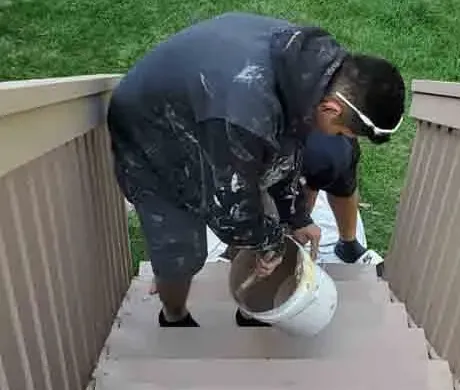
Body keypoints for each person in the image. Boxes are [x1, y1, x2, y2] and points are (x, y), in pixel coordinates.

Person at [107, 12, 406, 328]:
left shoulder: (314, 69)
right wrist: (272, 242)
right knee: (181, 251)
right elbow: (230, 212)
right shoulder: (246, 116)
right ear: (332, 109)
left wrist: (296, 216)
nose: (340, 140)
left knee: (259, 211)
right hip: (150, 134)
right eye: (343, 133)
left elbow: (288, 144)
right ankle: (174, 317)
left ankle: (246, 307)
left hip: (211, 109)